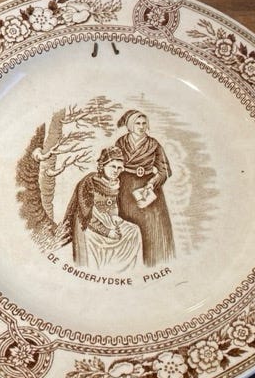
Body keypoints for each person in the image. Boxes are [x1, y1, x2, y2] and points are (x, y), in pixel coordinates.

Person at [64, 146, 143, 272]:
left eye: (119, 168)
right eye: (112, 166)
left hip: (107, 220)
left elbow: (111, 204)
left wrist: (114, 216)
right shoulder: (88, 182)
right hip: (87, 224)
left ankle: (127, 272)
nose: (116, 171)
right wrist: (108, 232)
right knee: (93, 239)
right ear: (103, 165)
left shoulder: (114, 182)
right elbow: (86, 214)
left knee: (134, 230)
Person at [115, 110, 175, 266]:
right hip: (126, 188)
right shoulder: (121, 143)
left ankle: (155, 263)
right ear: (130, 125)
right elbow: (113, 164)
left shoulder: (154, 144)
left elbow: (165, 170)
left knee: (153, 228)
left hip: (149, 188)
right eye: (137, 123)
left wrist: (152, 183)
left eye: (144, 123)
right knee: (128, 224)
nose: (141, 127)